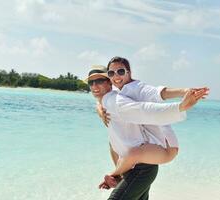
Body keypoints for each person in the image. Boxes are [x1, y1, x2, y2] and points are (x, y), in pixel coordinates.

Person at [85, 65, 208, 200]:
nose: (94, 85)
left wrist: (180, 107)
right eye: (91, 82)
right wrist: (99, 106)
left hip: (142, 168)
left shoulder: (115, 100)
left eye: (99, 81)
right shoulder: (109, 100)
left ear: (109, 82)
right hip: (136, 167)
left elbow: (145, 109)